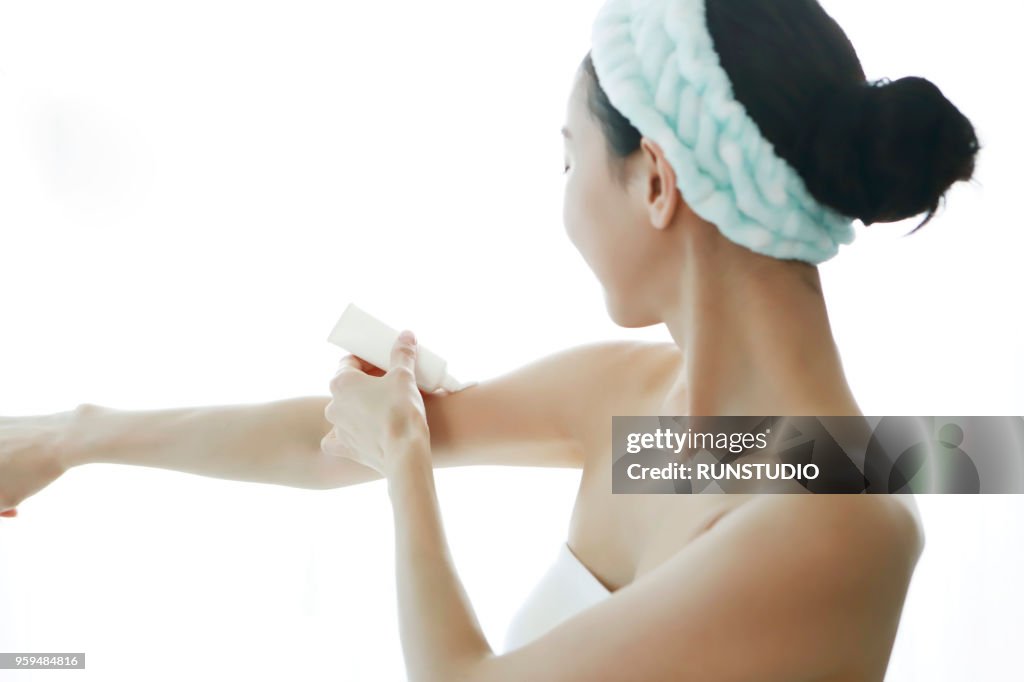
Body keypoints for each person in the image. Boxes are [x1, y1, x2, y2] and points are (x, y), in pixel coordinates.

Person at [1, 0, 980, 679]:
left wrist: (409, 464)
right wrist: (71, 437)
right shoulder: (645, 415)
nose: (559, 204)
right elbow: (326, 441)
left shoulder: (840, 522)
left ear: (654, 182)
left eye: (566, 158)